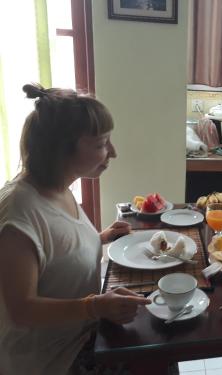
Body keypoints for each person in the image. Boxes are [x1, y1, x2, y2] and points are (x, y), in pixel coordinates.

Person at [0, 84, 151, 375]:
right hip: (51, 360)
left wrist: (101, 238)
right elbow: (21, 310)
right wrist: (93, 306)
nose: (113, 152)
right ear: (61, 148)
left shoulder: (57, 187)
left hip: (79, 335)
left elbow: (55, 252)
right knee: (154, 355)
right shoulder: (18, 214)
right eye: (101, 143)